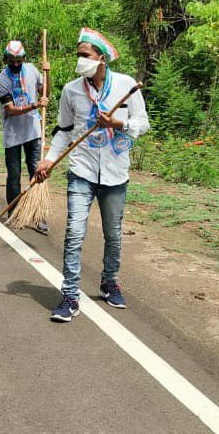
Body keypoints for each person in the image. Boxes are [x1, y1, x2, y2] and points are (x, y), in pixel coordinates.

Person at [35, 28, 149, 323]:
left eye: (85, 55)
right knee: (74, 233)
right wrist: (48, 160)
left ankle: (109, 282)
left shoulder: (126, 86)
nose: (80, 60)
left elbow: (143, 123)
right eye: (78, 55)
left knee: (113, 234)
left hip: (115, 173)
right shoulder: (71, 91)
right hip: (81, 171)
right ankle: (70, 295)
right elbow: (63, 131)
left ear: (101, 59)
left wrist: (117, 123)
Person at [0, 40, 49, 233]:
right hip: (13, 133)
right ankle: (15, 214)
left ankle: (39, 215)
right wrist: (35, 105)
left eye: (19, 60)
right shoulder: (1, 81)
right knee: (14, 175)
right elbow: (10, 109)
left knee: (38, 172)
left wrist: (47, 74)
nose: (16, 64)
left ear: (24, 58)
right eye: (12, 61)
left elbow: (45, 92)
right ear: (5, 60)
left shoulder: (32, 70)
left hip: (33, 130)